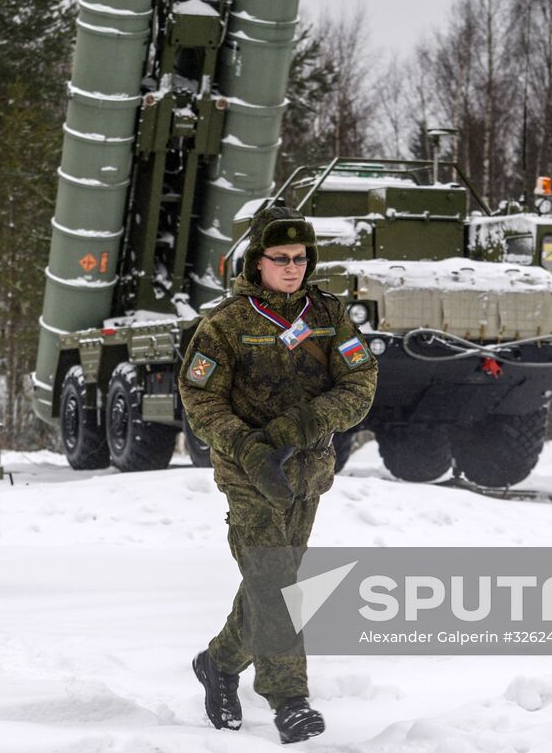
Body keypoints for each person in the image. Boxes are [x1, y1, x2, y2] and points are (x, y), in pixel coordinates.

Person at [179, 203, 378, 744]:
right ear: (257, 261)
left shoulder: (329, 317)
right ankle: (289, 701)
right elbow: (200, 399)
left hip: (307, 472)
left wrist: (304, 424)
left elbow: (360, 385)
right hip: (248, 476)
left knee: (278, 585)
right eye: (281, 258)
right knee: (274, 580)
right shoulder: (225, 325)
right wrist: (246, 446)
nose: (293, 267)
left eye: (302, 258)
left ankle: (218, 663)